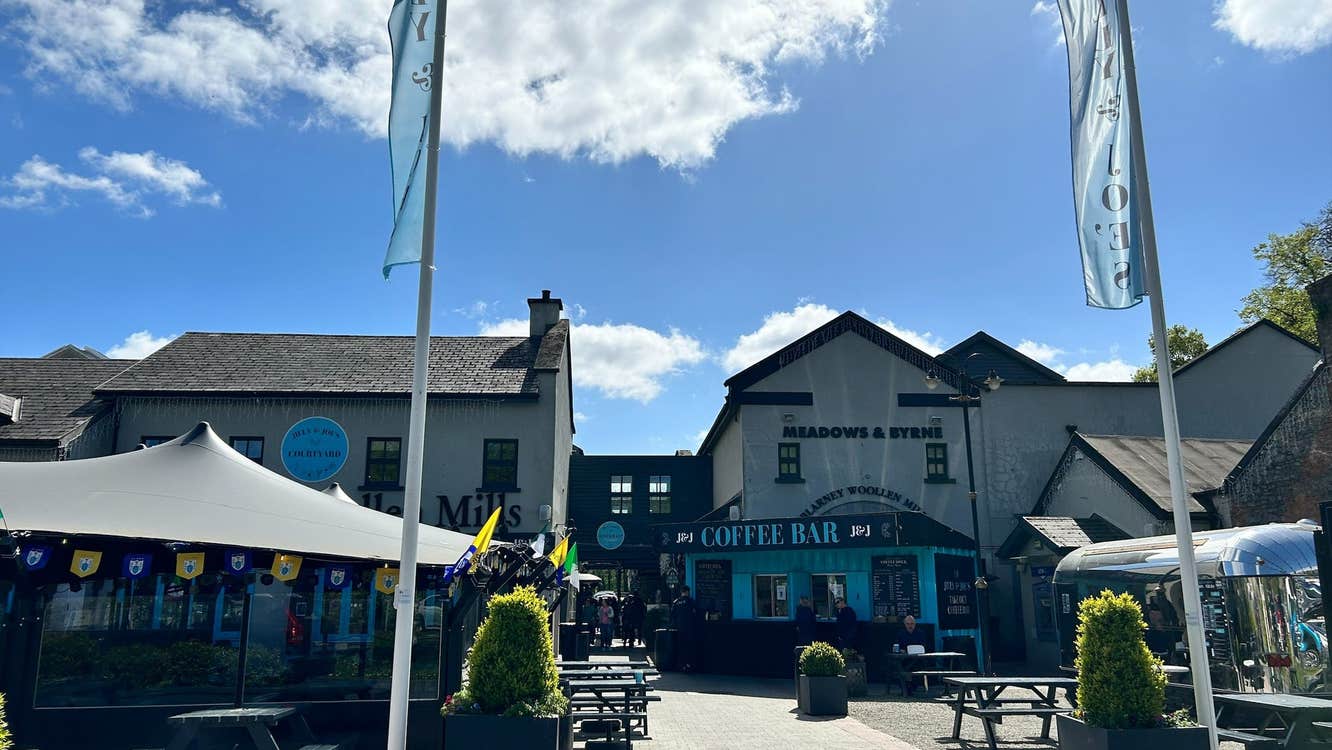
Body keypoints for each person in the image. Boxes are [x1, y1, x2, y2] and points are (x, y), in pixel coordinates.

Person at [671, 585, 699, 671]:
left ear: (681, 592)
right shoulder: (690, 601)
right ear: (687, 592)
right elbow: (696, 613)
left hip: (679, 628)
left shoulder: (676, 602)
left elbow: (672, 615)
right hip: (689, 627)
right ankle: (689, 665)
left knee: (681, 646)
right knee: (689, 646)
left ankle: (682, 665)